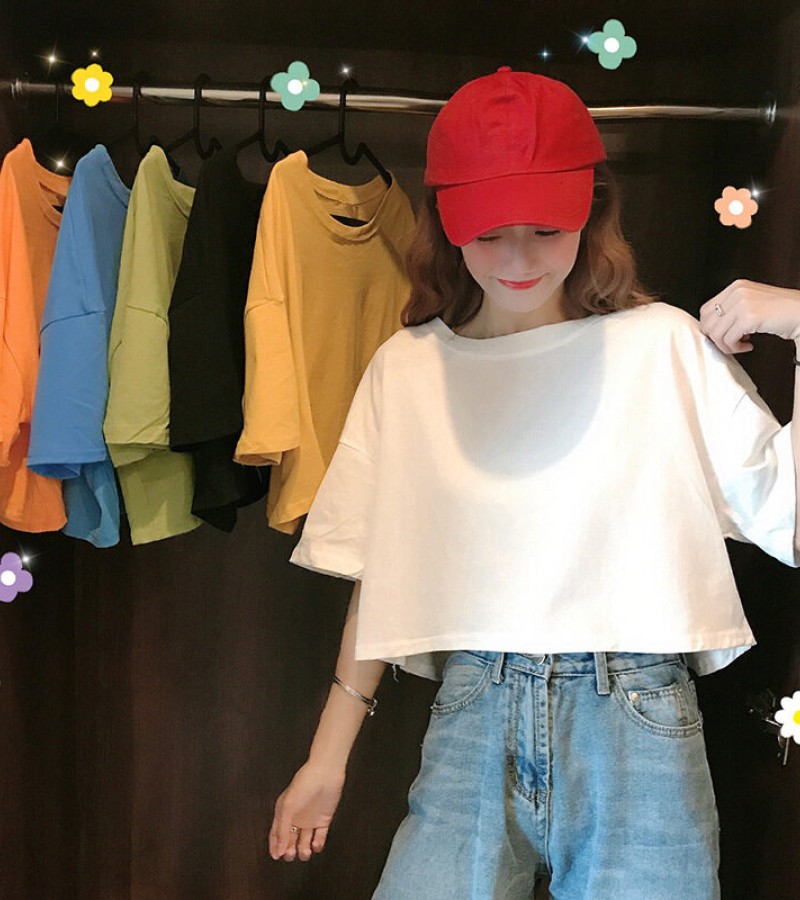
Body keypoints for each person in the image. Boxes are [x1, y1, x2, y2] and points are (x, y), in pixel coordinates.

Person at [268, 67, 800, 899]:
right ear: (447, 221)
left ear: (591, 210)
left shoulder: (661, 347)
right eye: (490, 233)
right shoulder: (408, 370)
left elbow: (791, 521)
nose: (518, 260)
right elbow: (385, 573)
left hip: (637, 720)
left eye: (547, 229)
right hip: (472, 713)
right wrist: (325, 759)